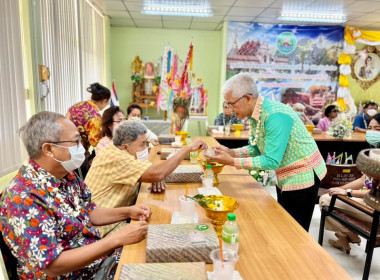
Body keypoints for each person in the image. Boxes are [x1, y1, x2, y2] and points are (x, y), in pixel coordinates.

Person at [0, 111, 151, 279]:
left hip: (96, 263)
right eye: (75, 141)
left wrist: (128, 212)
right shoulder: (22, 198)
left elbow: (89, 212)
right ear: (49, 149)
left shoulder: (66, 176)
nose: (82, 147)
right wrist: (115, 240)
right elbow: (52, 266)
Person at [205, 73, 326, 231]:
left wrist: (232, 161)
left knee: (295, 231)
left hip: (303, 175)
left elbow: (271, 161)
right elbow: (255, 148)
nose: (229, 109)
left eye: (231, 104)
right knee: (283, 223)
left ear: (248, 98)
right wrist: (231, 152)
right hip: (285, 175)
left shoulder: (274, 116)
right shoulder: (256, 114)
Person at [85, 121, 207, 237]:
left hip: (117, 216)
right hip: (103, 227)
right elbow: (158, 173)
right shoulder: (116, 157)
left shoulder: (116, 149)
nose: (147, 147)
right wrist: (188, 148)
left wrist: (154, 176)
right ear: (125, 147)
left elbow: (154, 173)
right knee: (165, 230)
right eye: (142, 144)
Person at [319, 113, 380, 254]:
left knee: (325, 201)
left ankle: (349, 234)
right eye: (370, 128)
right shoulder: (374, 153)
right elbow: (363, 180)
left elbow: (375, 193)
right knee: (333, 195)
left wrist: (347, 193)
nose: (372, 132)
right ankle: (343, 239)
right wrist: (339, 188)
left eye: (377, 129)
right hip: (369, 203)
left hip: (375, 208)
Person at [66, 83, 111, 176]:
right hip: (77, 152)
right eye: (108, 103)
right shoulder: (94, 116)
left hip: (64, 145)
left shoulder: (77, 105)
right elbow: (95, 142)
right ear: (105, 100)